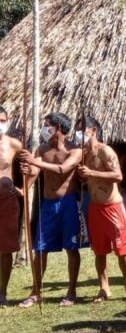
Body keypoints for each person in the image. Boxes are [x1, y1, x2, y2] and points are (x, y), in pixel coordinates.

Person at [18, 112, 83, 307]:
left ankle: (71, 292)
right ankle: (36, 292)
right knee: (40, 249)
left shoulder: (75, 150)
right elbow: (35, 172)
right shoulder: (42, 149)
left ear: (59, 128)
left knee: (71, 248)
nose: (44, 128)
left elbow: (63, 169)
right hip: (48, 204)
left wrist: (34, 162)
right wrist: (26, 176)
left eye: (48, 125)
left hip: (69, 202)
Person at [75, 116, 126, 303]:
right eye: (77, 130)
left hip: (112, 207)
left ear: (93, 131)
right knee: (99, 251)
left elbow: (118, 176)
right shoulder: (84, 153)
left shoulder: (105, 151)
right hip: (95, 208)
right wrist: (83, 176)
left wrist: (92, 172)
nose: (78, 134)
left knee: (122, 250)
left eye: (82, 130)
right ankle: (104, 287)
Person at [0, 106, 22, 306]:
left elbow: (32, 163)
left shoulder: (13, 144)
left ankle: (2, 293)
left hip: (7, 201)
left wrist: (24, 188)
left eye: (3, 120)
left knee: (6, 249)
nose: (1, 124)